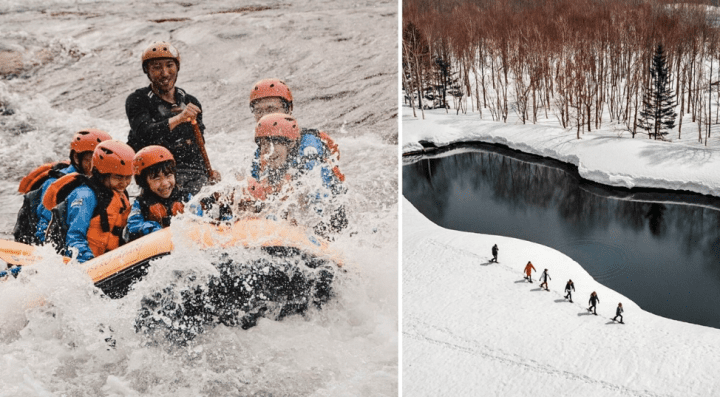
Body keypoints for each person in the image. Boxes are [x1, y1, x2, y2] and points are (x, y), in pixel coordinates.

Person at [125, 41, 219, 195]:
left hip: (192, 172)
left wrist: (209, 172)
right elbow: (144, 132)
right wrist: (179, 118)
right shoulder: (137, 99)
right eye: (156, 67)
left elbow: (198, 143)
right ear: (146, 71)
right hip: (156, 175)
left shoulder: (191, 102)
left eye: (169, 65)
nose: (164, 73)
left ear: (177, 68)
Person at [241, 113, 347, 237]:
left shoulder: (310, 163)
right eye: (264, 145)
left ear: (290, 144)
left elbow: (317, 205)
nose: (269, 151)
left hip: (331, 223)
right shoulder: (268, 165)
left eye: (274, 144)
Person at [14, 129, 113, 244]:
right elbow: (44, 230)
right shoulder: (55, 185)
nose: (100, 167)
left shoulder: (103, 181)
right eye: (93, 160)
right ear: (77, 158)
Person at [42, 140, 135, 263]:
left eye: (128, 177)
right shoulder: (85, 196)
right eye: (118, 177)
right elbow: (75, 237)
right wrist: (88, 261)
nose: (124, 183)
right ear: (102, 173)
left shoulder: (120, 194)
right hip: (81, 262)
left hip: (108, 261)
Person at [248, 78, 344, 191]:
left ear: (288, 109)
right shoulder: (262, 150)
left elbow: (317, 191)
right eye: (259, 111)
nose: (264, 116)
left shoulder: (309, 144)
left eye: (271, 109)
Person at [124, 145, 194, 242]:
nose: (165, 183)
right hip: (155, 245)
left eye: (168, 175)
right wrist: (152, 228)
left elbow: (198, 216)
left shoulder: (186, 198)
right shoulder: (141, 204)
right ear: (144, 183)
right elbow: (133, 225)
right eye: (157, 178)